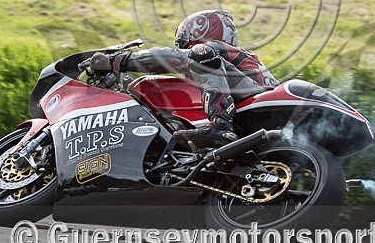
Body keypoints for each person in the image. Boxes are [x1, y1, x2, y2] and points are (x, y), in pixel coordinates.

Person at [86, 10, 279, 147]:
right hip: (259, 113)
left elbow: (172, 59)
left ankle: (220, 125)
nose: (182, 46)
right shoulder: (232, 62)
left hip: (255, 101)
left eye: (183, 41)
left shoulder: (211, 50)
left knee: (200, 54)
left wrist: (119, 60)